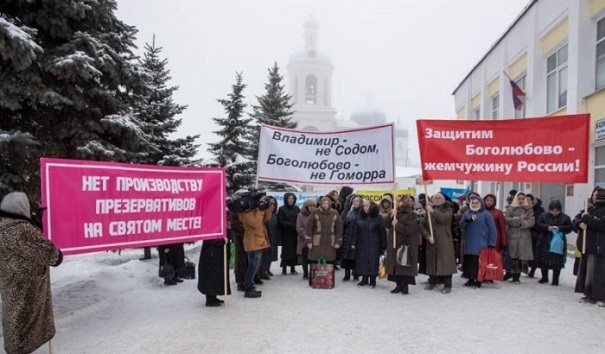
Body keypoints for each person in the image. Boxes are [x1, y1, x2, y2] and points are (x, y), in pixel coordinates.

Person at [0, 192, 63, 354]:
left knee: (13, 326)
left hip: (10, 289)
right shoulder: (23, 231)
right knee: (24, 331)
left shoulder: (3, 227)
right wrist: (35, 227)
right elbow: (53, 256)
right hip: (28, 292)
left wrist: (34, 225)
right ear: (22, 208)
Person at [574, 187, 605, 305]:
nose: (594, 197)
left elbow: (601, 225)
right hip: (587, 245)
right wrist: (579, 223)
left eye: (597, 195)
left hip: (600, 246)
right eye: (594, 195)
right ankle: (589, 294)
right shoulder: (590, 209)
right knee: (588, 272)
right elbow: (576, 219)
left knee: (600, 272)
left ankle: (601, 295)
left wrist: (586, 218)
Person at [421, 192, 457, 294]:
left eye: (439, 198)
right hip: (432, 241)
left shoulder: (448, 210)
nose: (437, 199)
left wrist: (432, 211)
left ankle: (447, 285)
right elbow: (422, 226)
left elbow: (443, 219)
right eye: (435, 198)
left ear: (444, 200)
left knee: (445, 263)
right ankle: (432, 281)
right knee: (432, 261)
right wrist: (427, 235)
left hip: (444, 241)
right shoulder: (428, 212)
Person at [459, 194, 497, 288]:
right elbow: (461, 225)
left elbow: (492, 229)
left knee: (479, 262)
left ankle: (479, 279)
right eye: (473, 203)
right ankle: (470, 278)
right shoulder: (467, 213)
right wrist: (467, 220)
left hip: (481, 243)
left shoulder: (486, 214)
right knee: (469, 261)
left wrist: (492, 242)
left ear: (480, 204)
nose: (475, 204)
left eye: (477, 203)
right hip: (469, 242)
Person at [386, 196, 421, 295]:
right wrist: (390, 216)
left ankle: (404, 286)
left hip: (405, 243)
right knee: (396, 265)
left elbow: (410, 229)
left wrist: (397, 225)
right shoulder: (395, 213)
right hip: (394, 243)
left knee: (404, 265)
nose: (396, 203)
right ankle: (398, 284)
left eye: (398, 201)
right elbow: (385, 224)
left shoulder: (411, 214)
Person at [305, 196, 343, 286]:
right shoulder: (315, 212)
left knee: (330, 262)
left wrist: (338, 242)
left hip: (330, 242)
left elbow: (339, 228)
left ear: (329, 204)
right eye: (323, 203)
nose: (325, 205)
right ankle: (314, 280)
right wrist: (309, 241)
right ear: (320, 204)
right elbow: (309, 227)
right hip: (317, 242)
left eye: (327, 203)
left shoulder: (335, 213)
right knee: (314, 261)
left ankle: (328, 280)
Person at [239, 197, 272, 298]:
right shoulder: (245, 212)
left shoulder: (254, 210)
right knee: (252, 266)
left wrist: (266, 207)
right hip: (252, 241)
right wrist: (260, 210)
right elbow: (256, 223)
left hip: (258, 240)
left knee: (255, 266)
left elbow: (267, 218)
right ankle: (248, 288)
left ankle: (249, 285)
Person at [534, 200, 572, 286]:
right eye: (553, 210)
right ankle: (544, 277)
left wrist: (560, 228)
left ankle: (555, 279)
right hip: (544, 240)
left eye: (557, 210)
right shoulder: (543, 216)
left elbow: (569, 228)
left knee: (557, 260)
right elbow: (537, 225)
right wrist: (547, 227)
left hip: (558, 241)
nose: (554, 212)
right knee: (543, 258)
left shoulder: (565, 217)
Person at [354, 199, 387, 288]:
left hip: (374, 243)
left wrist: (383, 244)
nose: (365, 208)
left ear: (371, 207)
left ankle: (372, 280)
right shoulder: (360, 216)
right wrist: (354, 242)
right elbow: (356, 231)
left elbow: (382, 232)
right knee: (363, 261)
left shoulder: (378, 218)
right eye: (364, 206)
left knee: (373, 261)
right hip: (362, 242)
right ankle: (364, 279)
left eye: (367, 206)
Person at [504, 192, 535, 283]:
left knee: (521, 256)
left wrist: (522, 223)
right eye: (519, 198)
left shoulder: (529, 209)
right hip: (513, 234)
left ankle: (517, 276)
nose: (521, 200)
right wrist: (518, 219)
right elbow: (507, 220)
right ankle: (511, 274)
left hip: (524, 235)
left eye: (522, 198)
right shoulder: (510, 208)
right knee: (513, 255)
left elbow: (531, 221)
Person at [197, 238, 231, 306]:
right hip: (211, 254)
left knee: (216, 276)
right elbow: (210, 240)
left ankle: (213, 296)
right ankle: (210, 298)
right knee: (211, 276)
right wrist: (221, 241)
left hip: (216, 253)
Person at [277, 193, 300, 275]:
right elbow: (280, 221)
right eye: (289, 198)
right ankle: (284, 269)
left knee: (294, 251)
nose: (290, 200)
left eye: (292, 198)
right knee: (286, 251)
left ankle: (293, 268)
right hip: (286, 233)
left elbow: (299, 219)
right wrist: (291, 224)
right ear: (286, 199)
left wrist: (297, 226)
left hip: (294, 233)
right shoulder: (282, 209)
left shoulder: (297, 208)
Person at [341, 195, 361, 281]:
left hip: (356, 238)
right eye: (353, 201)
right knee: (346, 257)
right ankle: (347, 274)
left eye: (357, 201)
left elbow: (358, 227)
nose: (355, 203)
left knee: (355, 257)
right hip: (347, 237)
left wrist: (354, 241)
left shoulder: (361, 212)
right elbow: (345, 224)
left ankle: (356, 274)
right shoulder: (350, 212)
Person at [525, 194, 545, 278]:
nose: (528, 201)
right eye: (526, 199)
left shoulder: (539, 210)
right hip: (525, 233)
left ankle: (533, 270)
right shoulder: (523, 208)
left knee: (534, 252)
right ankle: (525, 268)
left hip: (535, 234)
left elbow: (540, 222)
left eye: (529, 199)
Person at [260, 196, 279, 279]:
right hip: (266, 237)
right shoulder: (265, 214)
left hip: (274, 236)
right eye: (270, 205)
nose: (272, 206)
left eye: (273, 205)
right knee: (265, 255)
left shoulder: (275, 215)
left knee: (271, 254)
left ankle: (268, 269)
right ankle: (263, 270)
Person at [296, 199, 317, 280]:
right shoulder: (300, 215)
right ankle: (305, 273)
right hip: (304, 239)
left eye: (313, 206)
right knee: (304, 258)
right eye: (310, 206)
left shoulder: (316, 214)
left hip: (314, 239)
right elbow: (299, 227)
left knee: (313, 257)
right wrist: (307, 235)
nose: (311, 207)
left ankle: (312, 272)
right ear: (306, 207)